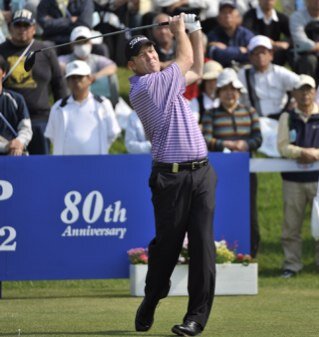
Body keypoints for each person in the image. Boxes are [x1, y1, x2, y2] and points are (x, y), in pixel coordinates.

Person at [126, 14, 217, 337]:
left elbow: (198, 69)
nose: (150, 56)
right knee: (167, 247)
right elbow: (186, 58)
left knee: (203, 245)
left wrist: (195, 30)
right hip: (171, 179)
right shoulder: (146, 88)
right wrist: (180, 30)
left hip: (202, 173)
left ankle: (196, 317)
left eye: (152, 51)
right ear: (132, 67)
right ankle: (152, 298)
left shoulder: (167, 79)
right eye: (142, 55)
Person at [201, 67, 262, 258]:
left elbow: (258, 139)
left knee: (249, 211)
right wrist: (226, 143)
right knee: (220, 209)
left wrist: (245, 143)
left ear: (239, 91)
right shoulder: (210, 114)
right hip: (219, 170)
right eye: (225, 89)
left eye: (233, 89)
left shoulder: (250, 111)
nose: (230, 93)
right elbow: (206, 139)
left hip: (246, 170)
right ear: (218, 92)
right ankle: (219, 251)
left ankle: (251, 253)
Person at [0, 8, 67, 154]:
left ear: (34, 28)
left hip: (40, 119)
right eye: (18, 25)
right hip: (9, 121)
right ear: (10, 28)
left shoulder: (46, 50)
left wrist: (63, 114)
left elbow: (58, 84)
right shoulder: (1, 50)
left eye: (26, 25)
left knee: (40, 166)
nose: (22, 29)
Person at [277, 74, 319, 278]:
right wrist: (301, 152)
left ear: (314, 91)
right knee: (291, 227)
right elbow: (282, 146)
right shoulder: (287, 117)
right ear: (294, 93)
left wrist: (314, 154)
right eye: (301, 90)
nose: (305, 94)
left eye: (309, 89)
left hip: (318, 180)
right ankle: (292, 265)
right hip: (293, 180)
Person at [45, 60, 120, 155]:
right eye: (72, 78)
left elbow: (112, 133)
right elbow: (52, 136)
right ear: (67, 82)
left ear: (89, 79)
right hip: (66, 165)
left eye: (80, 77)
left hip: (96, 164)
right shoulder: (58, 107)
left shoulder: (103, 104)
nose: (76, 81)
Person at [238, 35, 299, 119]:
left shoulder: (280, 72)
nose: (260, 56)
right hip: (254, 120)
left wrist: (294, 102)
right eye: (256, 53)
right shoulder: (243, 74)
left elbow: (301, 84)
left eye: (263, 52)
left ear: (271, 55)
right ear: (250, 56)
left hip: (280, 119)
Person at [58, 25, 119, 106]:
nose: (82, 45)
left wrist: (94, 77)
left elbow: (112, 67)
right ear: (71, 45)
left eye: (85, 41)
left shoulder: (96, 59)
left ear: (91, 43)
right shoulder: (65, 59)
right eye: (78, 42)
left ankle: (113, 105)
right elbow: (57, 64)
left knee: (112, 77)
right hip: (72, 96)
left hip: (94, 95)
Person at [206, 0, 254, 68]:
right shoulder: (213, 34)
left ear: (237, 16)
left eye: (230, 12)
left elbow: (252, 54)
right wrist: (239, 50)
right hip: (221, 70)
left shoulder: (246, 34)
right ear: (218, 17)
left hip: (243, 68)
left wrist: (226, 50)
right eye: (224, 12)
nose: (227, 16)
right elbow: (216, 55)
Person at [0, 54, 32, 155]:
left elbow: (26, 128)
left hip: (15, 154)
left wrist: (19, 142)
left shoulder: (16, 99)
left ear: (4, 73)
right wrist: (6, 146)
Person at [242, 0, 291, 66]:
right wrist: (266, 41)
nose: (268, 1)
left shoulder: (281, 17)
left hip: (275, 52)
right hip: (256, 50)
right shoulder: (249, 16)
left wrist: (286, 42)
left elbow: (291, 35)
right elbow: (246, 32)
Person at [289, 0, 319, 79]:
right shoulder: (296, 17)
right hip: (303, 58)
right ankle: (307, 90)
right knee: (309, 61)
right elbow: (301, 42)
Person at [196, 59, 223, 124]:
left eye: (215, 80)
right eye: (209, 81)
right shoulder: (196, 102)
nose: (212, 85)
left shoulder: (225, 100)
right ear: (204, 83)